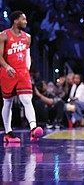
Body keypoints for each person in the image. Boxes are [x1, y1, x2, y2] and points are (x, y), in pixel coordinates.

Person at [0, 10, 43, 143]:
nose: (25, 22)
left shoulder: (27, 37)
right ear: (15, 21)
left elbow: (27, 57)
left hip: (22, 73)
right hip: (8, 72)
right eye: (23, 19)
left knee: (27, 99)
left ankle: (33, 128)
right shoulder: (3, 35)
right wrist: (7, 67)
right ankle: (8, 132)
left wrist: (26, 71)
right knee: (8, 102)